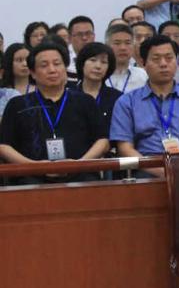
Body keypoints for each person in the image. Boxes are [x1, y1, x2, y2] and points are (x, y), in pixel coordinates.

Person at [0, 41, 109, 183]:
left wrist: (79, 164)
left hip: (80, 174)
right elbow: (4, 146)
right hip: (31, 176)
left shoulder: (85, 101)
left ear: (65, 68)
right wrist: (33, 166)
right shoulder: (17, 105)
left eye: (57, 64)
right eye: (44, 65)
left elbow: (102, 141)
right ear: (32, 73)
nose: (52, 70)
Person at [111, 35, 179, 176]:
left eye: (169, 58)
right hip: (147, 170)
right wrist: (160, 172)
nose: (163, 64)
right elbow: (124, 147)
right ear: (143, 63)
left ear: (176, 61)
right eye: (156, 59)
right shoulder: (127, 102)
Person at [72, 42, 123, 126]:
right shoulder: (69, 96)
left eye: (103, 62)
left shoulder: (117, 98)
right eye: (93, 60)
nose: (98, 66)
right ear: (82, 63)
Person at [105, 24, 148, 93]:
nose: (123, 48)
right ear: (107, 45)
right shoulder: (100, 74)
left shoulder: (142, 75)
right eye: (117, 43)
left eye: (127, 43)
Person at [66, 16, 97, 81]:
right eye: (79, 34)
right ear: (69, 38)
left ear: (94, 36)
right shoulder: (64, 61)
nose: (84, 38)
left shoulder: (102, 59)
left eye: (88, 34)